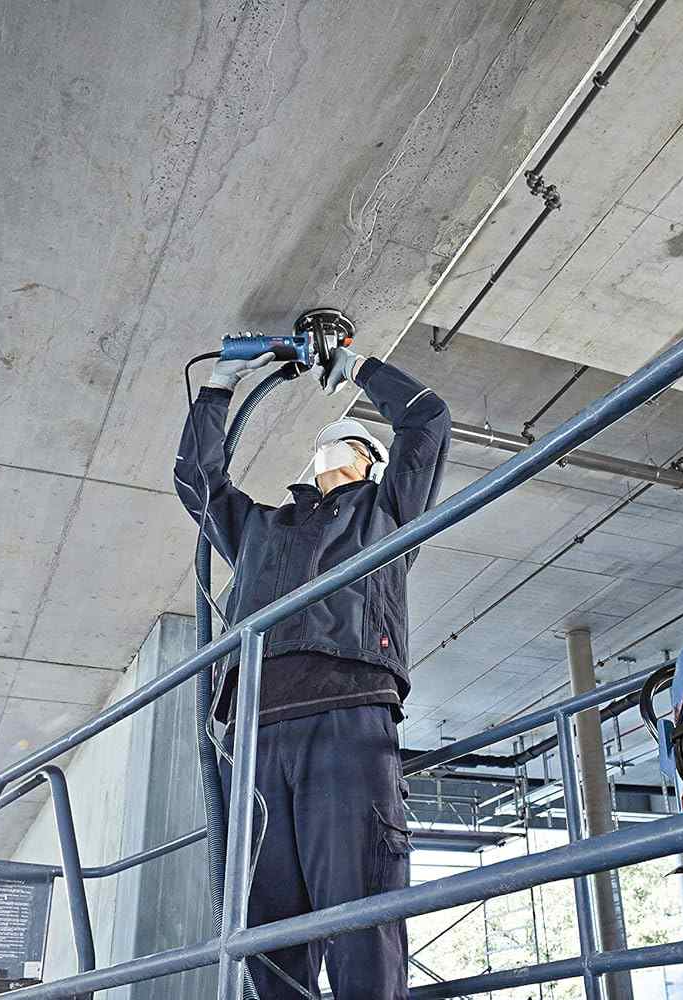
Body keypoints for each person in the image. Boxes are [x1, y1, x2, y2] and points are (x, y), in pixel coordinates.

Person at [174, 341, 450, 999]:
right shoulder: (261, 527)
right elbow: (198, 480)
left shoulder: (390, 513)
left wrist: (355, 368)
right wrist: (218, 388)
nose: (335, 448)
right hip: (256, 733)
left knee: (359, 909)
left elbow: (428, 419)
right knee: (268, 928)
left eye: (350, 441)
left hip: (347, 717)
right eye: (329, 443)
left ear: (372, 461)